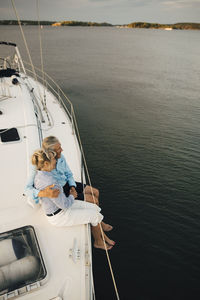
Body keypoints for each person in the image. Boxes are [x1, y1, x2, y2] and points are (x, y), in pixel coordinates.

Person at [32, 149, 115, 250]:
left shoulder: (40, 174)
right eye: (54, 160)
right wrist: (73, 195)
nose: (56, 161)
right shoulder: (50, 182)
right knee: (94, 216)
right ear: (46, 163)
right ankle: (98, 242)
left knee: (95, 208)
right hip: (59, 215)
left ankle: (101, 233)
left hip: (62, 206)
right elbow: (64, 205)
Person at [25, 136, 112, 232]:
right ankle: (98, 228)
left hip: (67, 184)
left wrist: (72, 186)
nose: (61, 150)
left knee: (95, 192)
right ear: (50, 152)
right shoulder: (38, 167)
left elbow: (68, 173)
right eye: (58, 149)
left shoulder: (61, 157)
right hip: (60, 191)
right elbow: (27, 189)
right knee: (93, 201)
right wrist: (44, 194)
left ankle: (99, 222)